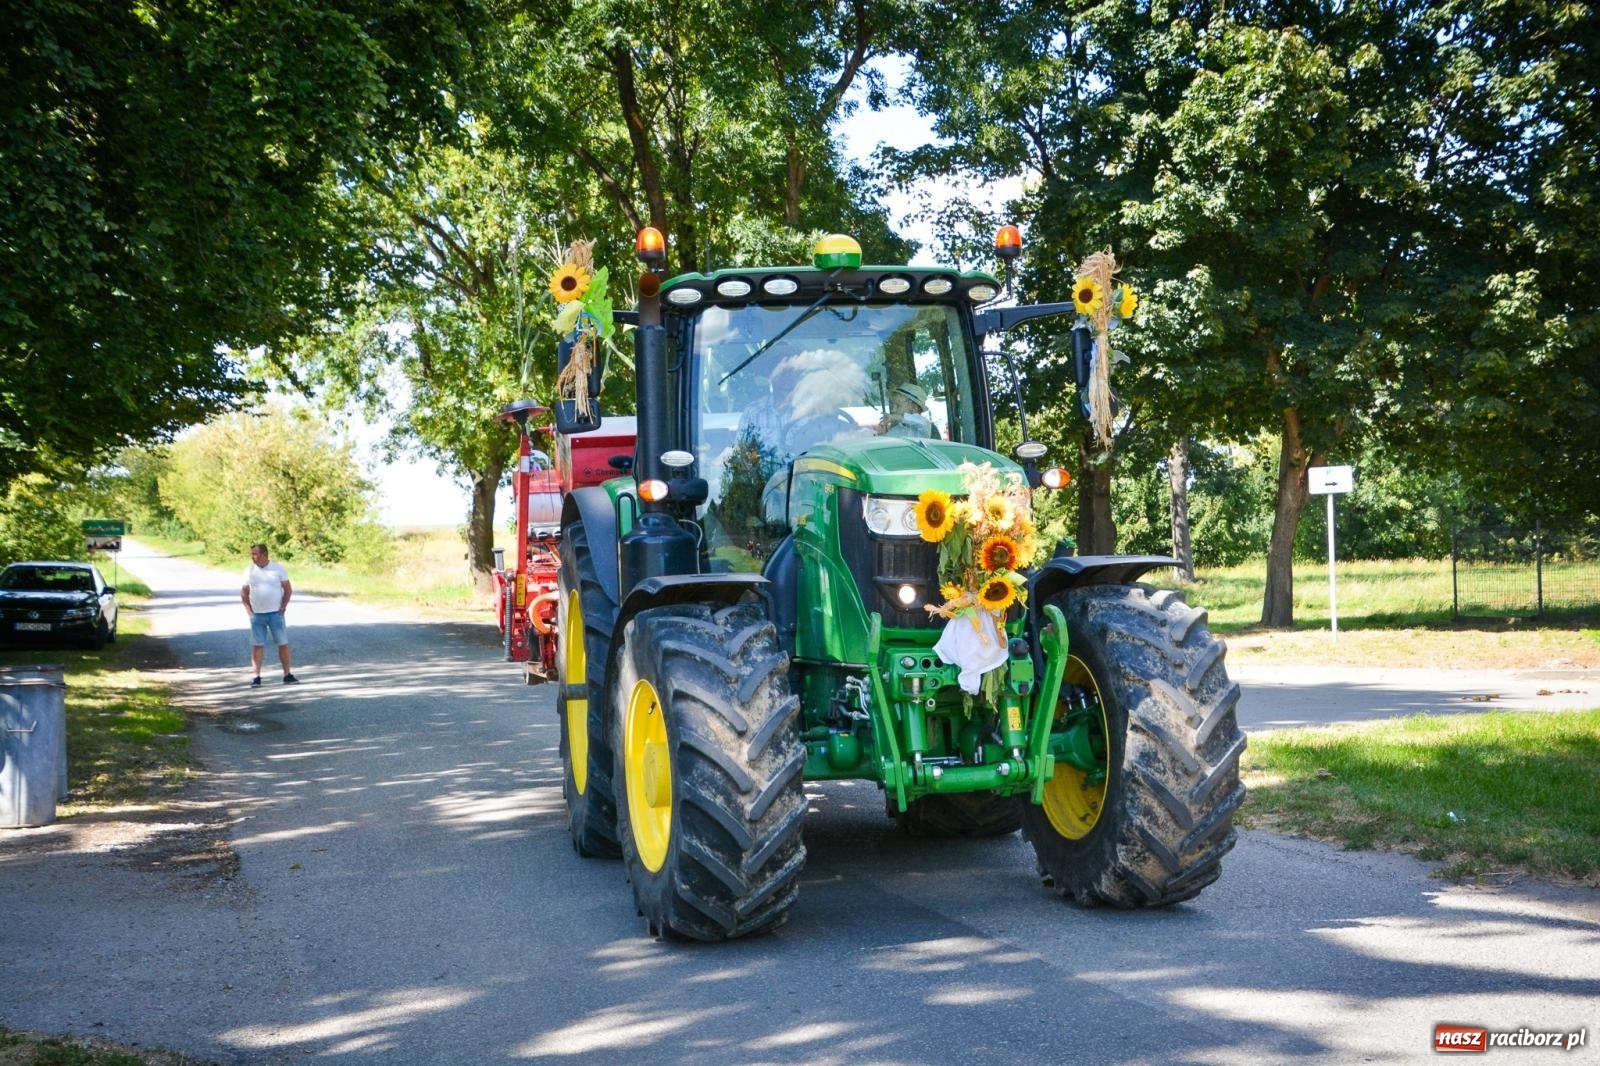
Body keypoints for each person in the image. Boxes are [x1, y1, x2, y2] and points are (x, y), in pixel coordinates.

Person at [242, 543, 297, 685]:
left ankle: (287, 675)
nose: (252, 557)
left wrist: (283, 607)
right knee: (257, 645)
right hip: (257, 615)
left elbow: (288, 589)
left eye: (255, 554)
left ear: (264, 554)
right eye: (252, 554)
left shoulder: (278, 569)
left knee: (283, 643)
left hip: (275, 614)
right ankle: (256, 677)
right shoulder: (249, 571)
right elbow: (244, 592)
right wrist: (249, 611)